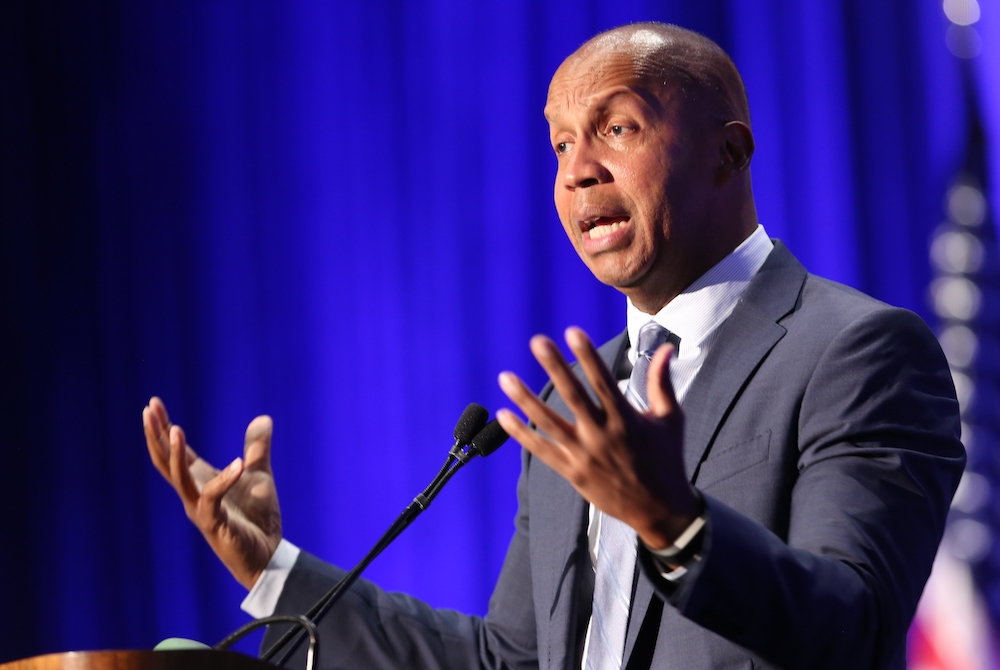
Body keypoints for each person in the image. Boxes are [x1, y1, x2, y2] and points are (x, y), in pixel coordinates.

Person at [142, 22, 965, 670]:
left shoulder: (856, 353)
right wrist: (273, 568)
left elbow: (850, 630)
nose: (577, 171)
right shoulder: (586, 398)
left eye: (617, 128)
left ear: (730, 151)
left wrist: (674, 525)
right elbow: (512, 661)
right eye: (562, 143)